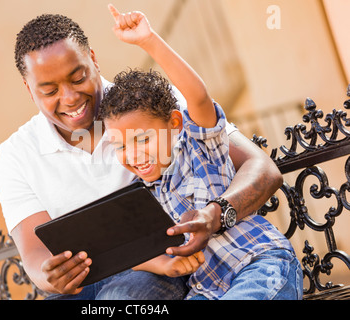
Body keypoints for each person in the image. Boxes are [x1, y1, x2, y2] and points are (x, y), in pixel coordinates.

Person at [0, 5, 286, 299]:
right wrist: (48, 274)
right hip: (93, 282)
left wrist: (216, 214)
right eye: (49, 91)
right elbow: (33, 253)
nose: (69, 98)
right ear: (29, 90)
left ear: (93, 59)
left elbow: (262, 168)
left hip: (160, 274)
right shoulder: (15, 155)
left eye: (77, 77)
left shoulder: (149, 107)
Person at [99, 5, 303, 300]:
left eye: (142, 139)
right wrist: (165, 265)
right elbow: (128, 252)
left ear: (174, 123)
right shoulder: (140, 196)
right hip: (205, 290)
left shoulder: (198, 145)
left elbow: (197, 95)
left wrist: (148, 41)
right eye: (120, 145)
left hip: (258, 265)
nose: (133, 154)